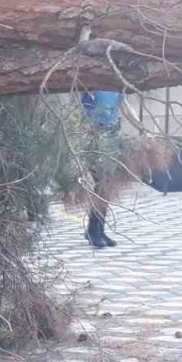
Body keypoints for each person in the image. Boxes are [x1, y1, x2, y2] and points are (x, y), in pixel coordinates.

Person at [80, 90, 122, 249]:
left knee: (105, 186)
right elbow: (76, 107)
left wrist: (142, 128)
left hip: (111, 137)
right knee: (100, 184)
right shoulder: (93, 83)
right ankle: (94, 231)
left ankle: (97, 229)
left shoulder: (117, 88)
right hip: (93, 137)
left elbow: (124, 110)